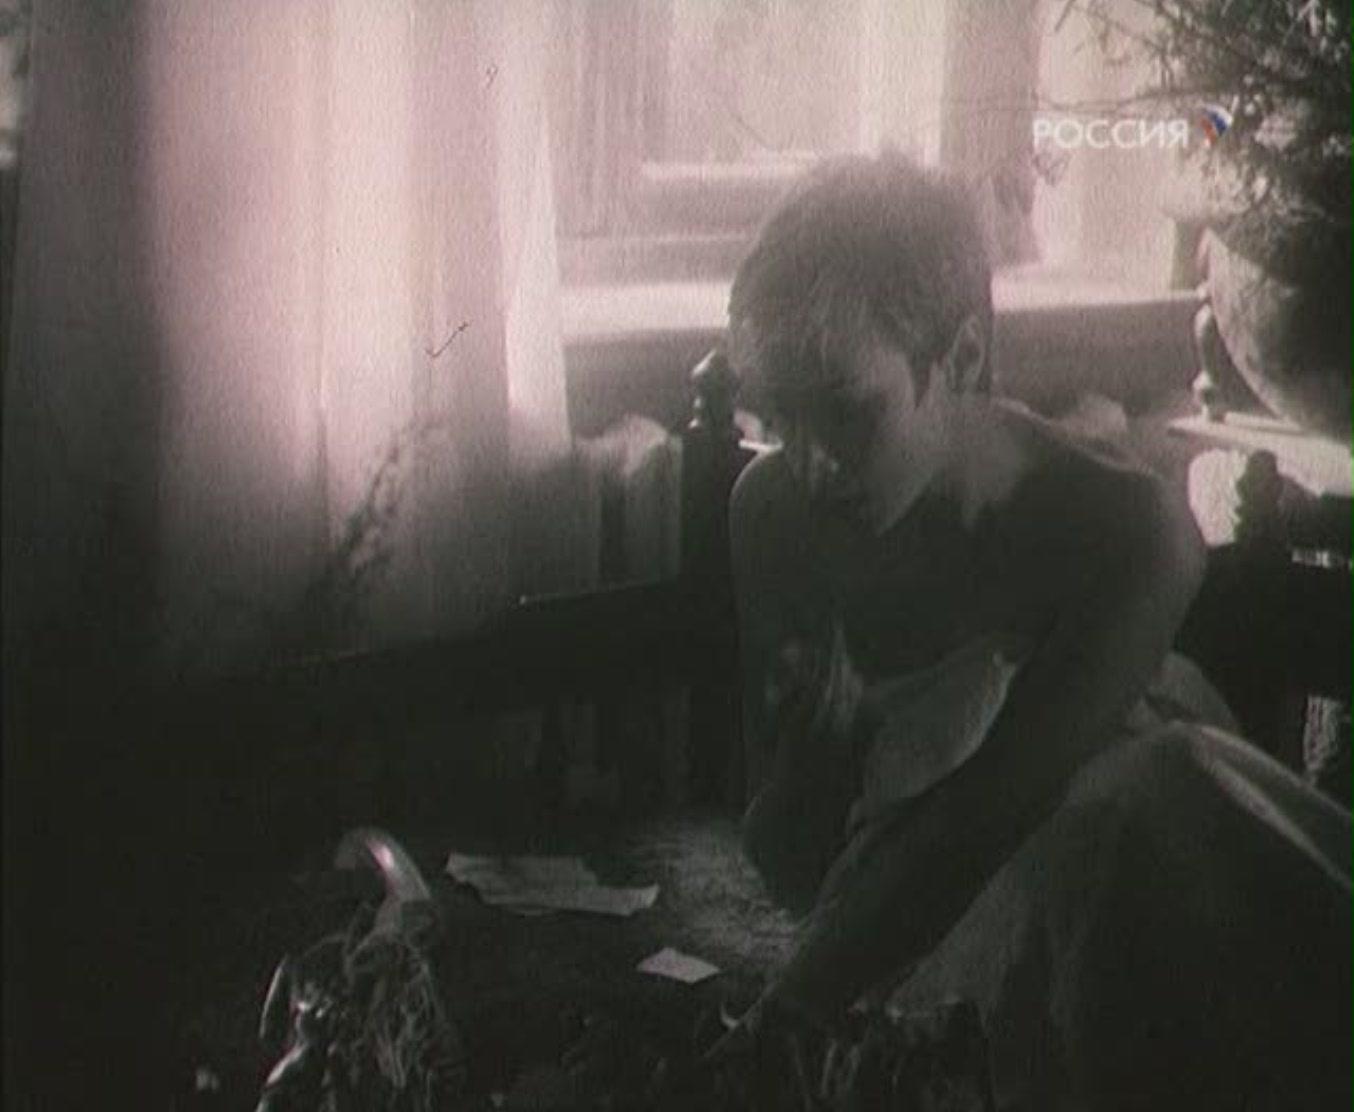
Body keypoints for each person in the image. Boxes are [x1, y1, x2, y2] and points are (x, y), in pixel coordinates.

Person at [718, 153, 1351, 1108]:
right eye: (780, 418)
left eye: (845, 414)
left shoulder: (1133, 533)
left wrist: (790, 1008)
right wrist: (821, 755)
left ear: (962, 358)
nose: (809, 463)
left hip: (1151, 897)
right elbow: (791, 869)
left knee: (1158, 783)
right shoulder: (773, 513)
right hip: (937, 932)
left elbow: (991, 817)